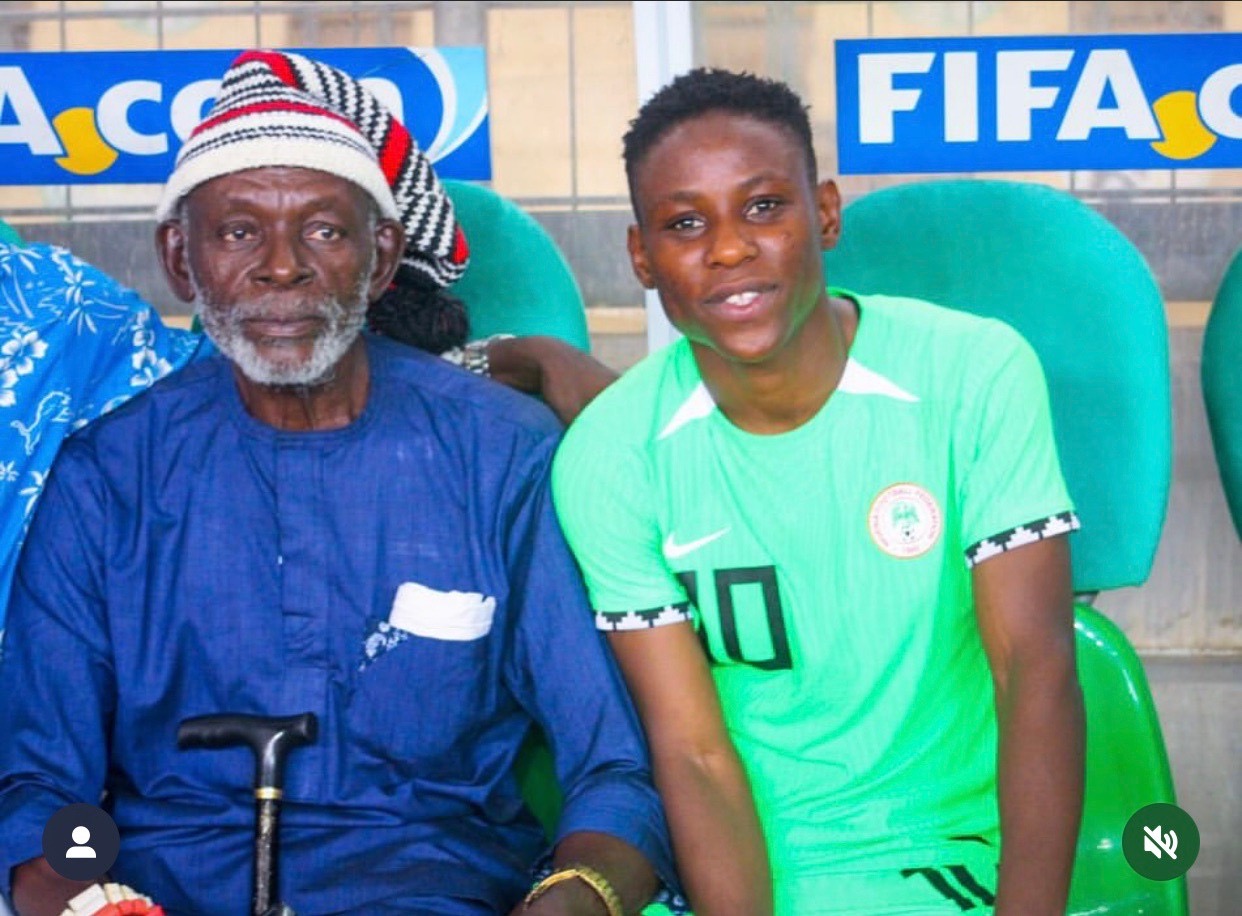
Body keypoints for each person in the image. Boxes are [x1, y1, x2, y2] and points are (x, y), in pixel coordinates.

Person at [0, 50, 671, 915]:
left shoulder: (498, 454)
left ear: (382, 256)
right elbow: (44, 796)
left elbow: (614, 771)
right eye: (237, 233)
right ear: (180, 259)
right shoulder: (106, 478)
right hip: (169, 894)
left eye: (323, 231)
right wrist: (87, 895)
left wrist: (573, 896)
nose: (282, 267)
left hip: (437, 894)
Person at [552, 68, 1086, 914]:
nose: (730, 249)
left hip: (936, 854)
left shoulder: (976, 373)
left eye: (764, 206)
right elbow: (693, 754)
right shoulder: (610, 455)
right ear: (642, 257)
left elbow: (1034, 667)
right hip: (723, 870)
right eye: (685, 223)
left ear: (827, 213)